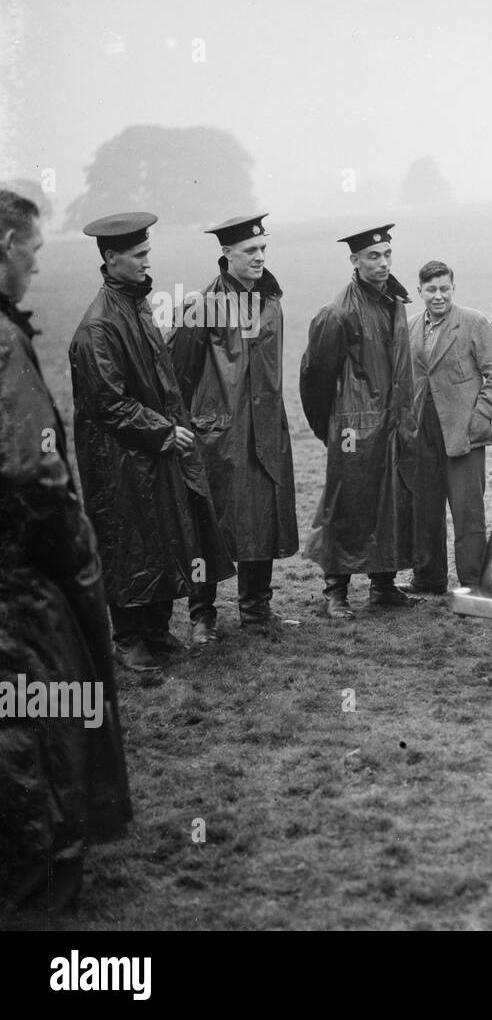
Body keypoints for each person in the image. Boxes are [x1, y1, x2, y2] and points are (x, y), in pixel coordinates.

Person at [0, 189, 132, 914]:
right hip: (20, 581)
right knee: (39, 725)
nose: (35, 267)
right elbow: (29, 469)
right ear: (4, 251)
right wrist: (71, 548)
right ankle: (39, 874)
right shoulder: (0, 340)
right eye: (32, 251)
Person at [68, 213, 234, 671]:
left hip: (156, 451)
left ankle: (158, 631)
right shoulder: (99, 327)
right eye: (138, 256)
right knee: (128, 542)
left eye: (147, 253)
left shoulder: (136, 306)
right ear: (111, 257)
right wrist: (162, 431)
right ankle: (128, 639)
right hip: (120, 459)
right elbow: (108, 402)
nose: (146, 262)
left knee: (164, 536)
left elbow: (162, 378)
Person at [169, 214, 299, 643]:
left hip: (265, 430)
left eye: (263, 249)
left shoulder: (271, 300)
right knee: (210, 523)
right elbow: (178, 373)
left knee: (262, 518)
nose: (259, 257)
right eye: (250, 251)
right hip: (217, 436)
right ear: (227, 254)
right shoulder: (202, 305)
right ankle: (202, 616)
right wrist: (189, 427)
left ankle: (257, 611)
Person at [300, 223, 422, 618]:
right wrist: (332, 428)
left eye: (387, 254)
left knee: (392, 501)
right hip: (354, 427)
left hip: (394, 421)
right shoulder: (337, 313)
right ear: (355, 261)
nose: (383, 262)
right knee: (346, 504)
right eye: (373, 256)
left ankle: (383, 586)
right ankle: (335, 591)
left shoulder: (393, 300)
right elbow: (315, 377)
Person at [405, 260, 492, 593]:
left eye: (445, 289)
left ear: (454, 288)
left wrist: (480, 419)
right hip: (423, 432)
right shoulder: (408, 327)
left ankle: (472, 582)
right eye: (431, 290)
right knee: (424, 511)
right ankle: (428, 579)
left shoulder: (473, 322)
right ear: (419, 291)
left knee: (468, 513)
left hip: (463, 433)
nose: (439, 296)